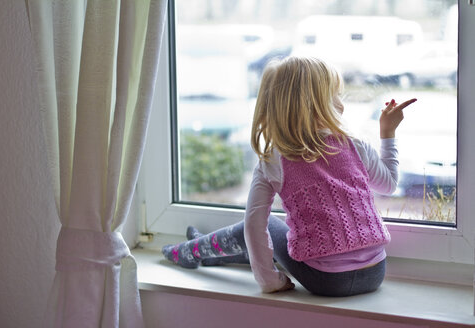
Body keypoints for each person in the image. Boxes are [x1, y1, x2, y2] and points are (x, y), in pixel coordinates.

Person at [162, 56, 417, 296]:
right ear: (315, 105)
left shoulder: (274, 159)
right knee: (273, 234)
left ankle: (189, 252)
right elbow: (388, 185)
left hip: (326, 281)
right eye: (335, 96)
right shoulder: (355, 145)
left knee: (265, 225)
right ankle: (206, 252)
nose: (342, 103)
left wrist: (270, 281)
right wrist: (387, 133)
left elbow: (253, 226)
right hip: (375, 273)